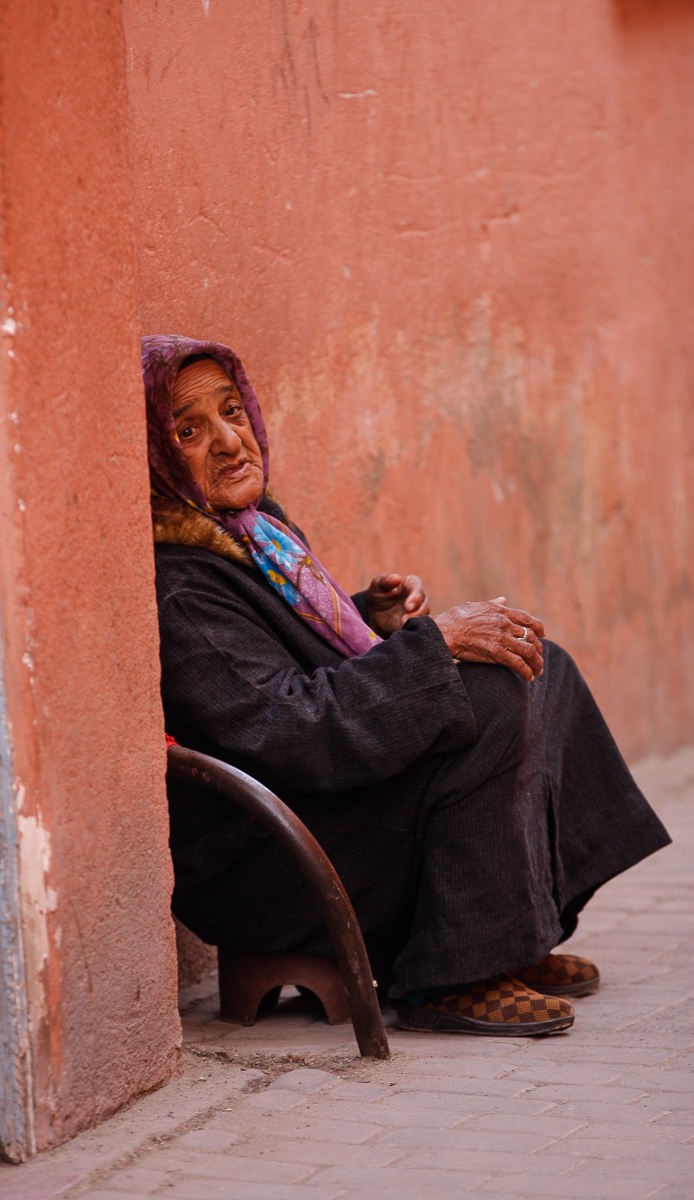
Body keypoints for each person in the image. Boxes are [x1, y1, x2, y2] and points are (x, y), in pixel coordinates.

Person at [144, 333, 671, 1037]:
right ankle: (455, 972)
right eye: (188, 429)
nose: (229, 441)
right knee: (485, 697)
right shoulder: (181, 582)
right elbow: (287, 727)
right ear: (152, 454)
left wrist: (369, 616)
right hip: (263, 861)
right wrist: (435, 645)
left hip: (318, 806)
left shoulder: (254, 532)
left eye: (232, 412)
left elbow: (285, 659)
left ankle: (514, 931)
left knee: (537, 665)